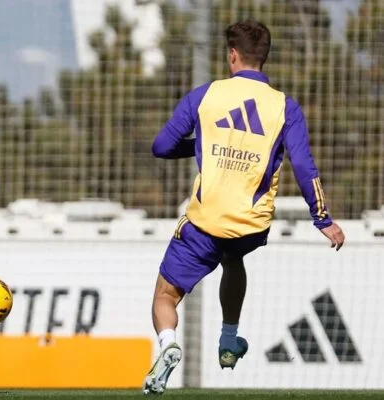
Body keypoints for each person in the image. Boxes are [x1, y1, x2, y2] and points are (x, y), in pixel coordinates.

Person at [142, 20, 345, 395]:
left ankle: (169, 345)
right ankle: (229, 340)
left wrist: (199, 144)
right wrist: (323, 219)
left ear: (232, 55)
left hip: (204, 224)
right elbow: (303, 165)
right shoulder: (285, 106)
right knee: (233, 259)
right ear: (263, 58)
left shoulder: (206, 95)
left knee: (165, 296)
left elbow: (161, 146)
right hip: (251, 226)